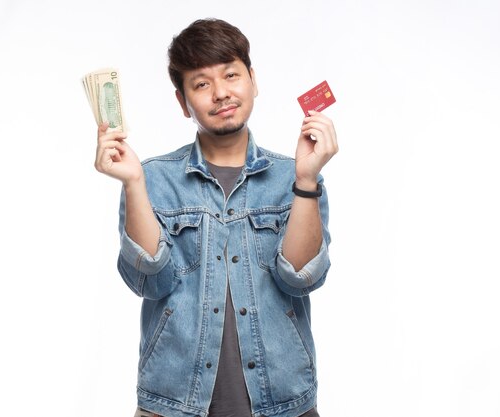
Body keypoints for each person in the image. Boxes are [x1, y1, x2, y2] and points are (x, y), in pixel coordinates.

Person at [94, 18, 338, 417]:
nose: (221, 93)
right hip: (172, 403)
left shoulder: (292, 175)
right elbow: (149, 281)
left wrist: (306, 179)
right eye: (202, 83)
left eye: (231, 75)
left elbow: (302, 276)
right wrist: (135, 182)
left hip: (283, 402)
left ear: (253, 80)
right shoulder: (153, 177)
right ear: (182, 101)